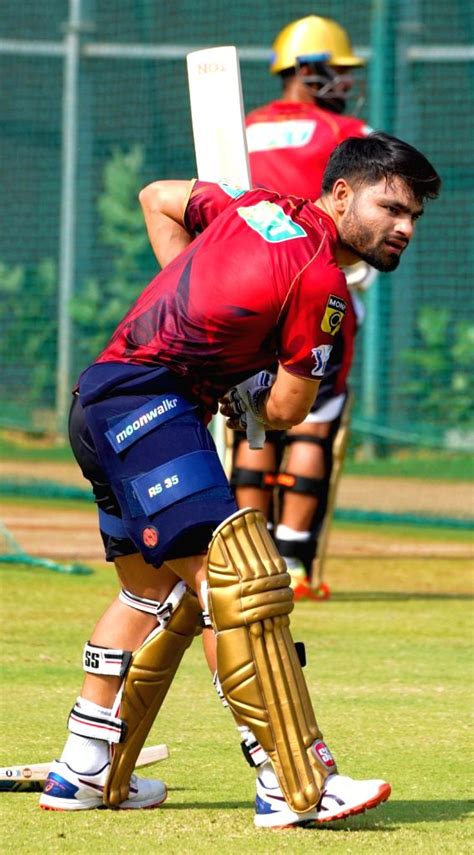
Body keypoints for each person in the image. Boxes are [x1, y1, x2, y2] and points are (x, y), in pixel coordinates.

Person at [40, 133, 440, 829]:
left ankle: (83, 765)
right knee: (240, 581)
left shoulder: (251, 205)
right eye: (392, 206)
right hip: (152, 403)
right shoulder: (322, 281)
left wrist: (202, 317)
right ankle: (290, 777)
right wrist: (244, 374)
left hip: (98, 396)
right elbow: (284, 409)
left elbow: (157, 199)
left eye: (414, 217)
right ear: (341, 193)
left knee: (150, 589)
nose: (404, 227)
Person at [232, 14, 374, 599]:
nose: (343, 81)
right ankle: (293, 560)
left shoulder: (242, 128)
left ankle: (250, 553)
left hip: (250, 292)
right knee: (314, 421)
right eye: (335, 71)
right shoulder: (349, 132)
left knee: (251, 416)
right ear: (308, 71)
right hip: (322, 287)